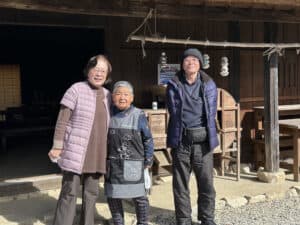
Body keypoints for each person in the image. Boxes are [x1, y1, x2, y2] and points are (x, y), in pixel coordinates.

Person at [48, 54, 112, 225]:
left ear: (107, 75)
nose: (99, 74)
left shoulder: (108, 95)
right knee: (70, 190)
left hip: (97, 151)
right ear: (88, 70)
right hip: (75, 150)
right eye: (95, 69)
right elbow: (62, 120)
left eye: (103, 71)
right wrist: (57, 146)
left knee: (91, 192)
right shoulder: (75, 89)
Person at [166, 48, 219, 225]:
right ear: (182, 64)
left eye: (195, 60)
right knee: (180, 184)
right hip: (182, 140)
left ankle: (207, 218)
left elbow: (211, 114)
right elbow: (172, 112)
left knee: (206, 184)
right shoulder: (174, 84)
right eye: (187, 60)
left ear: (200, 64)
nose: (191, 63)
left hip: (203, 141)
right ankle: (183, 220)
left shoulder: (209, 84)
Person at [104, 81, 154, 225]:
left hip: (134, 164)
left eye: (126, 94)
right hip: (113, 164)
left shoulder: (138, 115)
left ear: (132, 98)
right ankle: (118, 222)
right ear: (113, 97)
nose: (122, 97)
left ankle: (142, 223)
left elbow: (148, 139)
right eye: (118, 94)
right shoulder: (108, 114)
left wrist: (148, 160)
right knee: (113, 196)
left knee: (139, 197)